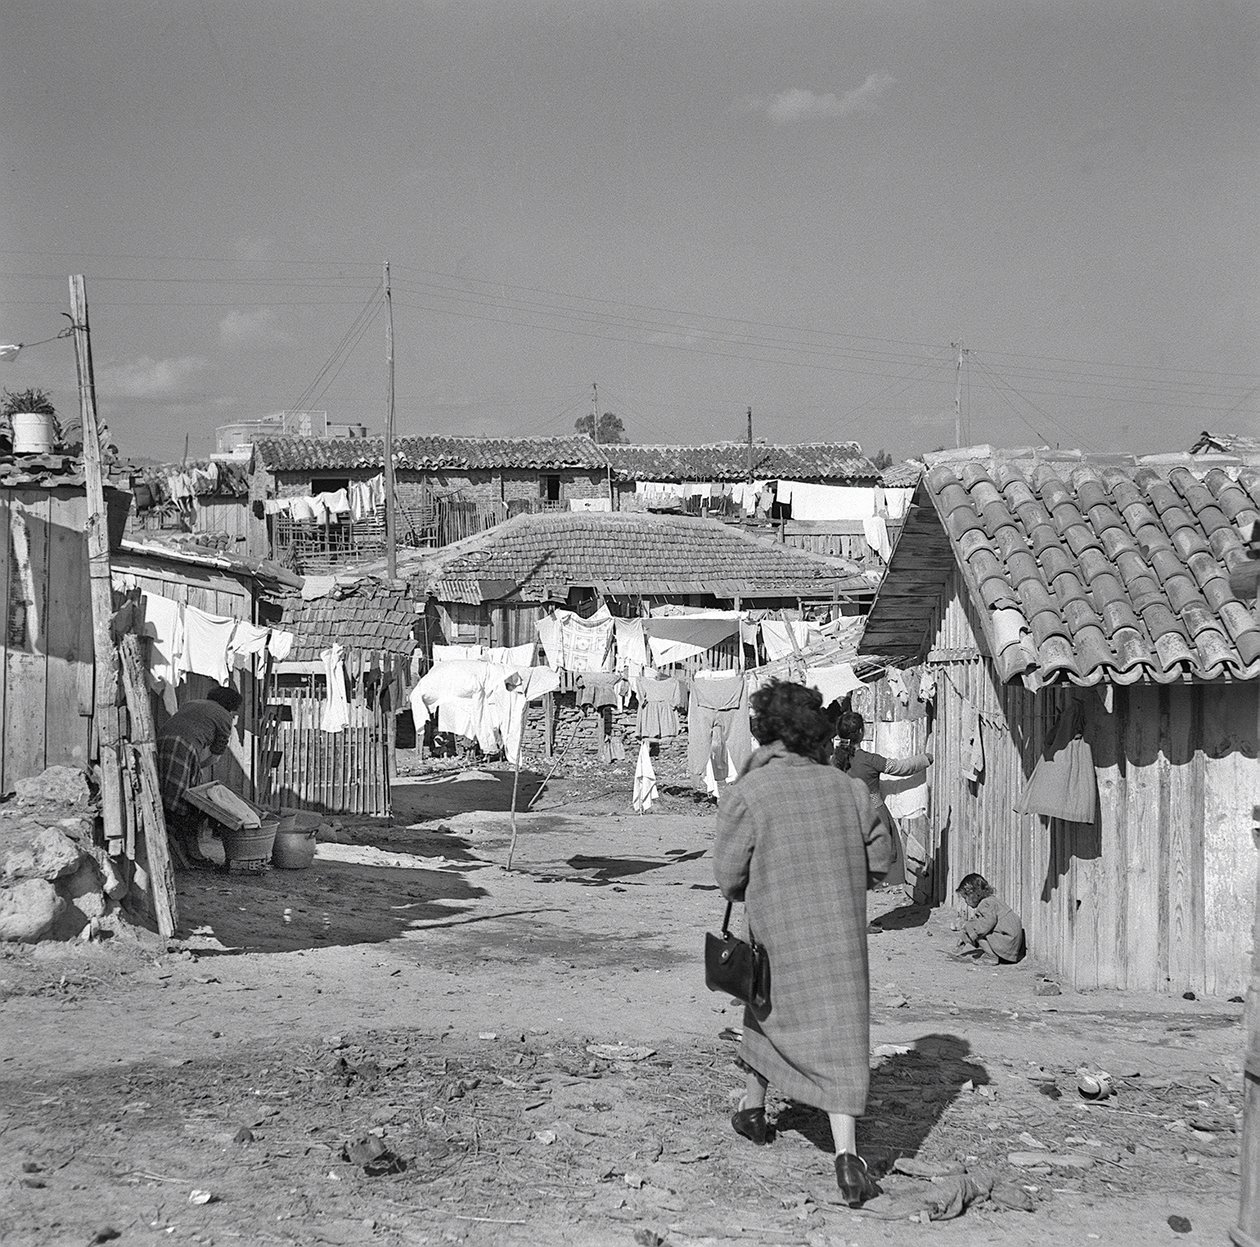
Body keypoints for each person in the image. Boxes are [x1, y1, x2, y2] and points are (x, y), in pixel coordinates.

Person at [713, 680, 895, 1207]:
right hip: (838, 943)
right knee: (839, 1038)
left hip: (775, 935)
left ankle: (753, 1111)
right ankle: (846, 1157)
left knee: (766, 1007)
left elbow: (728, 879)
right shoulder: (850, 790)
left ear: (766, 732)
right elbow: (880, 863)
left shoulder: (750, 793)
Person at [156, 686, 242, 866]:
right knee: (189, 802)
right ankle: (192, 854)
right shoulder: (225, 717)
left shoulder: (191, 703)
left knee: (166, 791)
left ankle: (176, 841)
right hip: (183, 747)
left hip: (161, 741)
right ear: (231, 706)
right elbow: (215, 757)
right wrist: (198, 765)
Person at [953, 872, 1025, 964]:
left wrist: (968, 934)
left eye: (965, 898)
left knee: (973, 928)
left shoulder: (986, 904)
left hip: (1006, 943)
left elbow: (985, 925)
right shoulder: (993, 901)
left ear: (973, 894)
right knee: (975, 926)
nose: (965, 902)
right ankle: (994, 954)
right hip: (1011, 945)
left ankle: (991, 957)